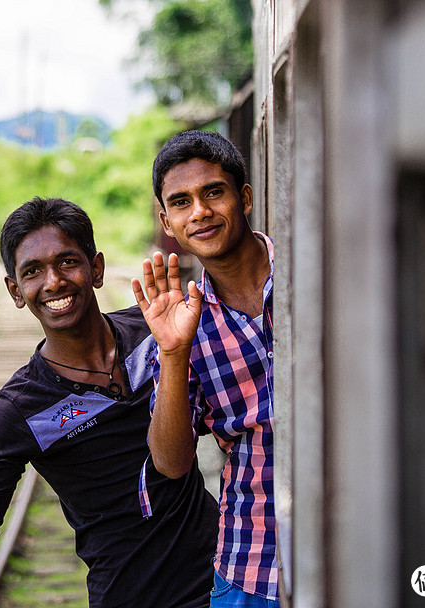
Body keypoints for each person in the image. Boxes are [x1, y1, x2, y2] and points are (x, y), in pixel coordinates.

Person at [0, 197, 219, 607]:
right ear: (15, 291)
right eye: (32, 271)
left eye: (66, 262)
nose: (53, 282)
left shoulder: (156, 332)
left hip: (227, 581)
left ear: (95, 269)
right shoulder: (20, 409)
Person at [132, 131, 279, 607]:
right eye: (181, 202)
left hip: (366, 541)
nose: (200, 212)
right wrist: (174, 353)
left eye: (213, 192)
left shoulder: (315, 268)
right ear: (167, 222)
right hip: (253, 565)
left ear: (246, 198)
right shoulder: (182, 320)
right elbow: (171, 463)